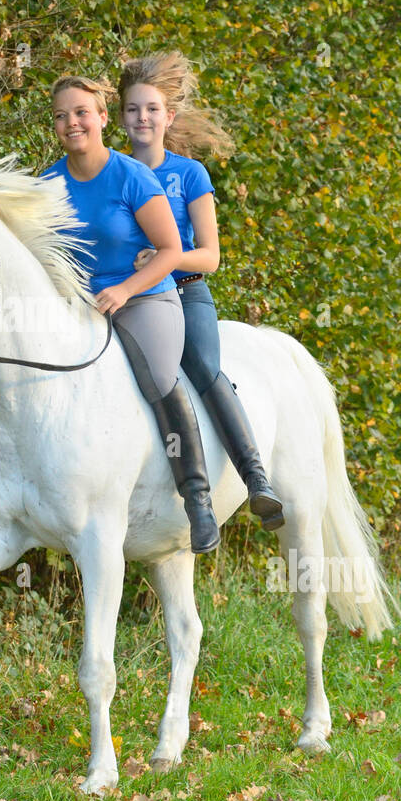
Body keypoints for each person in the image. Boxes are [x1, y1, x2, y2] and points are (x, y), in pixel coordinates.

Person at [0, 74, 221, 553]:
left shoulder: (132, 176)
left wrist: (124, 290)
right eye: (61, 116)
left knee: (160, 377)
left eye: (80, 113)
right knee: (2, 357)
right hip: (78, 302)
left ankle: (198, 498)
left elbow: (168, 250)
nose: (70, 123)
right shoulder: (49, 183)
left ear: (103, 118)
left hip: (143, 298)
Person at [120, 51, 283, 529]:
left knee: (203, 367)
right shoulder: (113, 173)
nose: (142, 117)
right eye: (133, 109)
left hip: (185, 292)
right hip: (131, 298)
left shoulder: (189, 175)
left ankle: (256, 480)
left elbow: (210, 255)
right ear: (121, 117)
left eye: (151, 109)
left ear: (169, 116)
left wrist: (164, 258)